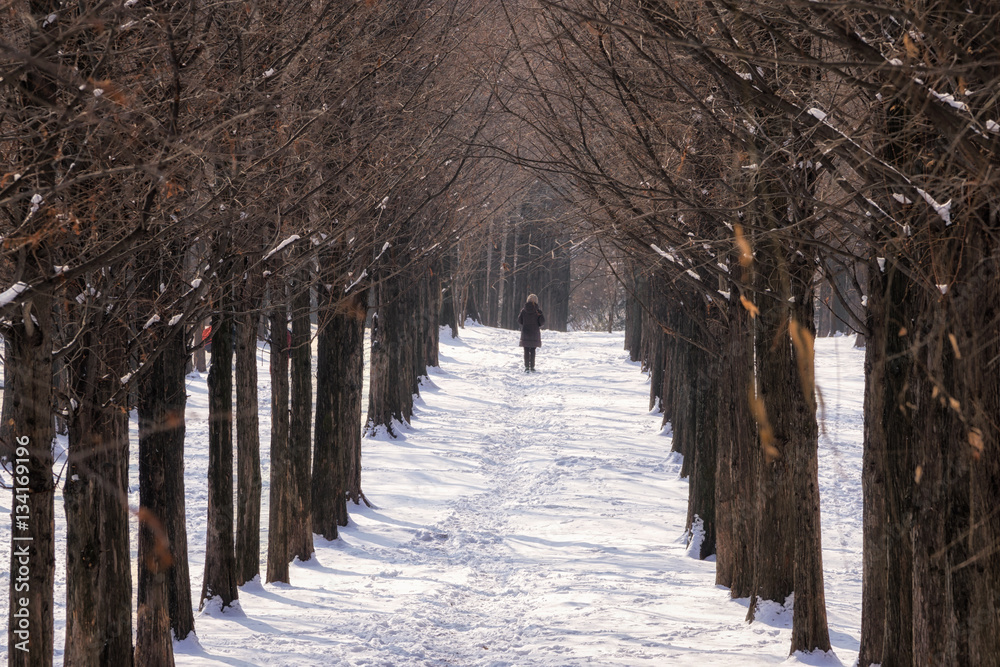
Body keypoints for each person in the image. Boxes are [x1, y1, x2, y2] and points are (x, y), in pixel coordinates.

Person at [518, 294, 545, 372]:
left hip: (525, 332)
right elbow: (542, 322)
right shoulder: (538, 311)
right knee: (533, 350)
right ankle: (532, 367)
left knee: (526, 350)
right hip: (534, 333)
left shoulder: (523, 310)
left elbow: (519, 320)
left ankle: (526, 367)